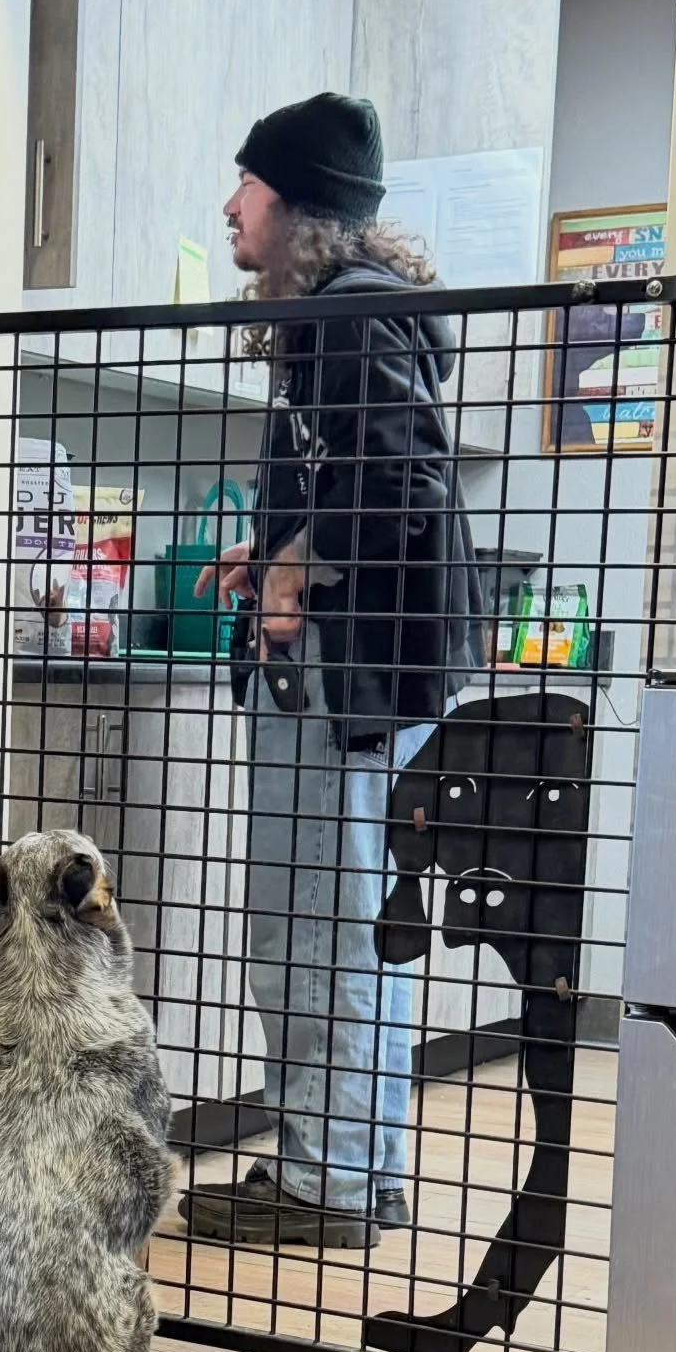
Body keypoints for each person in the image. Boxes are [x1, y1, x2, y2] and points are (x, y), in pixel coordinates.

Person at [180, 92, 483, 1250]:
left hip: (349, 689)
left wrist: (299, 571)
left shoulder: (349, 321)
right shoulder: (355, 315)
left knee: (314, 924)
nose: (229, 206)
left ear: (296, 205)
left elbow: (399, 488)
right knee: (354, 923)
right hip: (374, 682)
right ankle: (358, 1164)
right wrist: (275, 545)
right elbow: (369, 477)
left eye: (246, 187)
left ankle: (327, 1182)